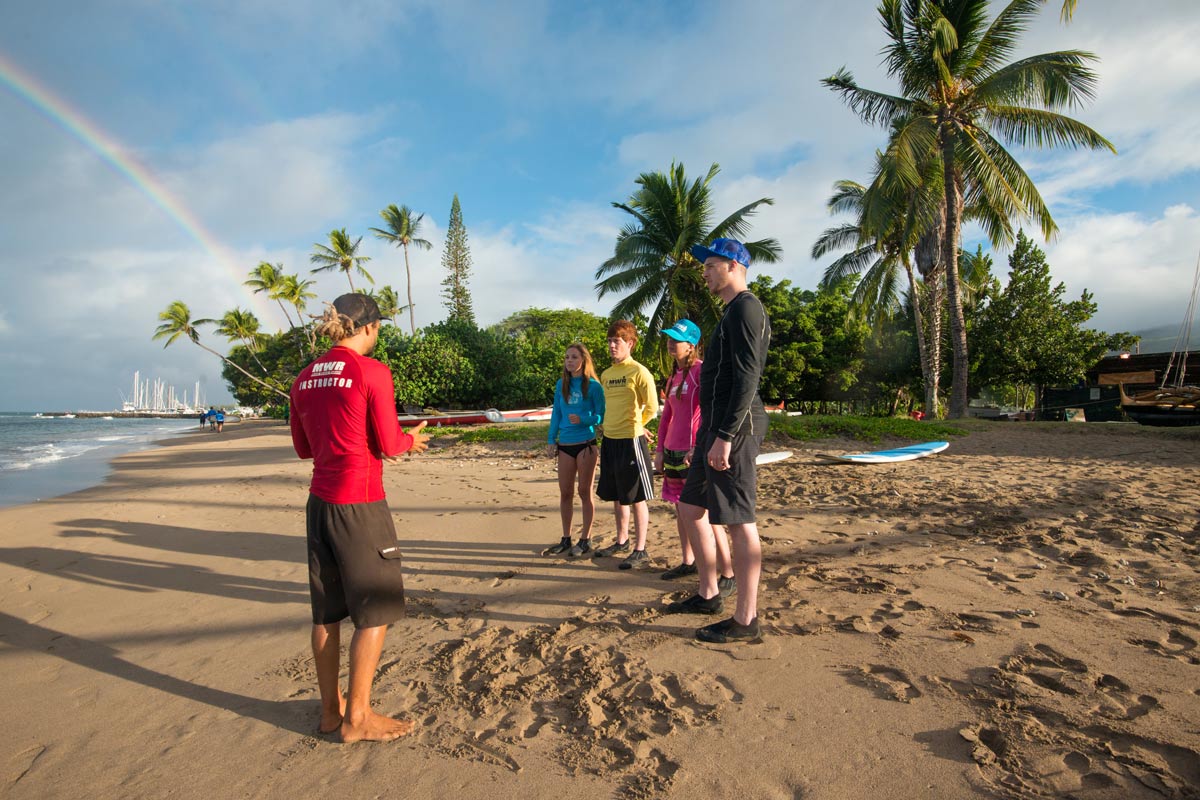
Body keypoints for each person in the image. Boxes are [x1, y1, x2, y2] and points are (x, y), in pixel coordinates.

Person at [289, 293, 430, 743]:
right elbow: (389, 443)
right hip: (360, 504)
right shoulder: (372, 371)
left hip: (319, 504)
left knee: (327, 614)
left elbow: (303, 448)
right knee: (374, 612)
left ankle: (330, 713)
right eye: (379, 328)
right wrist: (411, 441)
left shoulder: (304, 378)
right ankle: (358, 716)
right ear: (368, 327)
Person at [668, 239, 771, 644]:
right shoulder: (730, 312)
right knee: (690, 507)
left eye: (711, 265)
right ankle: (709, 593)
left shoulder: (746, 307)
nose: (705, 272)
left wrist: (725, 436)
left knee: (740, 521)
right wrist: (707, 436)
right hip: (713, 430)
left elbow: (748, 377)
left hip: (736, 429)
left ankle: (746, 619)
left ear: (733, 266)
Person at [653, 319, 736, 594]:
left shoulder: (701, 372)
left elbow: (710, 411)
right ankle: (688, 560)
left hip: (693, 452)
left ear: (691, 345)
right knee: (681, 510)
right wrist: (659, 450)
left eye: (676, 340)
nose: (670, 343)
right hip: (672, 451)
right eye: (669, 338)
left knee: (706, 515)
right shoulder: (673, 377)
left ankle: (727, 572)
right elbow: (666, 417)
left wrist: (697, 446)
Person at [594, 320, 659, 569]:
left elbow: (651, 407)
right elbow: (608, 407)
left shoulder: (639, 372)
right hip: (610, 440)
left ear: (630, 343)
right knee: (617, 494)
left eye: (617, 341)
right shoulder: (607, 374)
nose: (612, 346)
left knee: (637, 496)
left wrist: (638, 426)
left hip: (631, 441)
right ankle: (621, 541)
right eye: (609, 341)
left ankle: (640, 549)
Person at [543, 343, 605, 557]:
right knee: (565, 492)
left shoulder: (594, 386)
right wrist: (551, 439)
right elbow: (556, 414)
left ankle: (586, 539)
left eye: (574, 357)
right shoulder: (562, 384)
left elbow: (601, 415)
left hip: (586, 444)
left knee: (584, 491)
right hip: (565, 445)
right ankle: (566, 538)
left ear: (583, 360)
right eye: (567, 357)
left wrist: (584, 419)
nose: (569, 361)